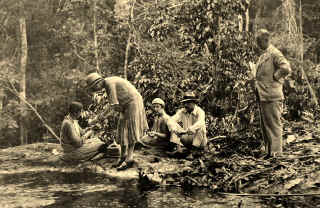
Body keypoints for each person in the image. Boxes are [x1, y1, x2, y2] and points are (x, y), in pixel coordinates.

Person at [86, 72, 149, 170]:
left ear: (98, 83)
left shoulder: (109, 84)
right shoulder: (107, 84)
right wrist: (101, 117)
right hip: (125, 105)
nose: (96, 90)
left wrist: (96, 119)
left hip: (133, 102)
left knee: (130, 129)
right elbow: (114, 106)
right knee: (122, 128)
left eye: (95, 87)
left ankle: (129, 158)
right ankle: (123, 156)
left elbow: (113, 107)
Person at [249, 29, 291, 158]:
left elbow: (286, 68)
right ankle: (269, 152)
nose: (257, 44)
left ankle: (276, 154)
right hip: (263, 95)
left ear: (265, 40)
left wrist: (275, 77)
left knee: (273, 125)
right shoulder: (263, 55)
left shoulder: (274, 53)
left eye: (258, 41)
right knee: (265, 126)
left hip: (272, 95)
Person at [169, 91, 207, 158]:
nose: (186, 105)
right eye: (185, 103)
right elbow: (171, 120)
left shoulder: (200, 111)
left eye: (188, 103)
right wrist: (174, 129)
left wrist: (192, 128)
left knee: (201, 127)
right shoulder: (182, 111)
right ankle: (178, 148)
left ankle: (193, 152)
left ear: (194, 103)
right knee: (173, 125)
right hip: (187, 138)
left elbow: (201, 122)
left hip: (199, 141)